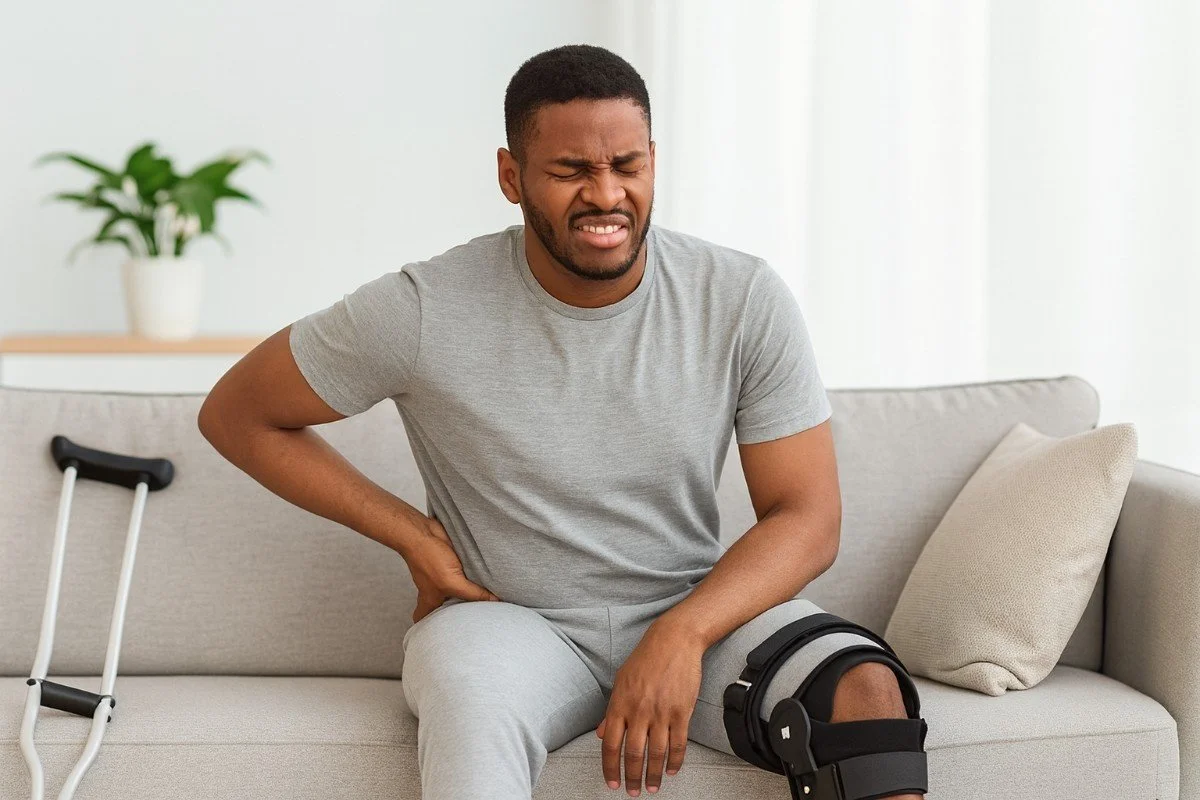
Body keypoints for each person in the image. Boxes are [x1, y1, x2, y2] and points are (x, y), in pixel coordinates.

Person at [198, 43, 925, 800]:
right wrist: (412, 535)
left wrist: (682, 633)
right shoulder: (422, 307)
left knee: (866, 693)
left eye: (627, 166)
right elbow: (237, 414)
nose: (606, 195)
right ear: (512, 177)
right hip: (505, 625)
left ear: (654, 161)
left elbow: (808, 516)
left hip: (695, 613)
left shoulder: (741, 296)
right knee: (471, 708)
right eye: (571, 171)